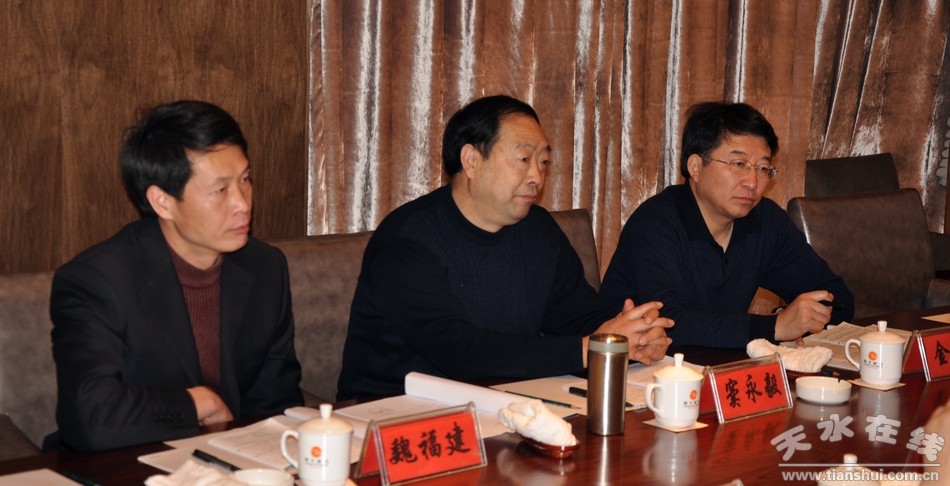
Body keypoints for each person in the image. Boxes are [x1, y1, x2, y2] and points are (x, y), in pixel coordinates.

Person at [337, 95, 672, 400]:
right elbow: (458, 351)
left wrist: (632, 334)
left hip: (506, 402)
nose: (536, 176)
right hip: (397, 413)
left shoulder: (538, 230)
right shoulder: (408, 240)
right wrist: (591, 349)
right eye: (524, 158)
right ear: (471, 160)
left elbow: (577, 316)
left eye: (543, 162)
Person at [46, 100, 304, 451]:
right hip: (120, 465)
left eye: (245, 180)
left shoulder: (265, 267)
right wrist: (197, 403)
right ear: (162, 202)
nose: (243, 204)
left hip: (229, 463)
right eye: (220, 190)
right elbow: (91, 417)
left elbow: (275, 404)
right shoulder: (97, 282)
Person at [600, 102, 854, 349]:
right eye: (739, 164)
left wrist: (796, 318)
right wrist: (775, 326)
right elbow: (669, 324)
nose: (752, 182)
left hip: (720, 367)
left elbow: (837, 297)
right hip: (633, 368)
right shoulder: (654, 224)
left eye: (763, 168)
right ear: (696, 167)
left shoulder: (765, 221)